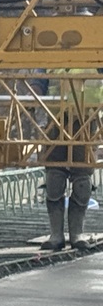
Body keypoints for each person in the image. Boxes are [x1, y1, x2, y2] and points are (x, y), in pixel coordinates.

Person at [38, 68, 103, 251]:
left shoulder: (93, 53)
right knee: (54, 179)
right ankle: (56, 235)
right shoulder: (50, 57)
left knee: (82, 180)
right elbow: (37, 81)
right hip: (55, 120)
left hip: (87, 120)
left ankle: (77, 234)